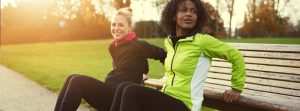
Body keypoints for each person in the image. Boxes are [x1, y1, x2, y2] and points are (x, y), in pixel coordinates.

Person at [110, 0, 246, 111]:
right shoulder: (170, 42)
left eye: (193, 11)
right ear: (173, 15)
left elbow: (236, 56)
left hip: (185, 105)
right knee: (124, 87)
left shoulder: (202, 41)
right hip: (167, 98)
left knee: (131, 91)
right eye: (183, 10)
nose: (189, 14)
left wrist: (236, 88)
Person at [54, 7, 166, 111]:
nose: (116, 28)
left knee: (77, 81)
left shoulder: (138, 45)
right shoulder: (114, 47)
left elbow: (163, 55)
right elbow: (140, 61)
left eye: (121, 25)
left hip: (120, 97)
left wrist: (167, 76)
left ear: (130, 27)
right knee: (71, 77)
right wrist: (144, 71)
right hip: (109, 90)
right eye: (113, 24)